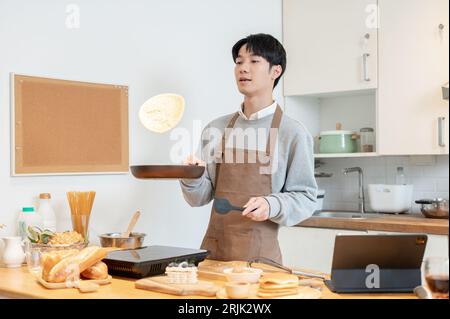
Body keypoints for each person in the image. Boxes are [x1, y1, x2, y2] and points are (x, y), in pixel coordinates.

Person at [180, 33, 318, 263]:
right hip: (215, 255)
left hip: (261, 259)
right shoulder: (216, 128)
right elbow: (199, 198)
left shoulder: (292, 133)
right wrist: (191, 177)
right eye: (239, 62)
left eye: (254, 61)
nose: (243, 68)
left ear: (276, 71)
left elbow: (305, 198)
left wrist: (271, 204)